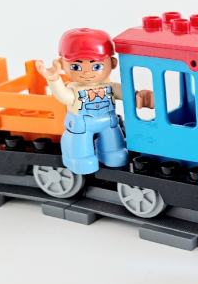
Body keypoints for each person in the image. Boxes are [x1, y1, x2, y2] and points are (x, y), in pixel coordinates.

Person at [34, 28, 153, 174]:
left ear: (113, 63)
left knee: (114, 148)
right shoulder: (74, 90)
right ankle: (80, 159)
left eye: (96, 66)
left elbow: (127, 95)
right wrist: (54, 79)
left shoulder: (110, 87)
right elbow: (63, 96)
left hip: (108, 122)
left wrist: (140, 97)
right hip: (82, 125)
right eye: (76, 66)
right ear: (62, 64)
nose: (87, 72)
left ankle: (112, 153)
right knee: (80, 147)